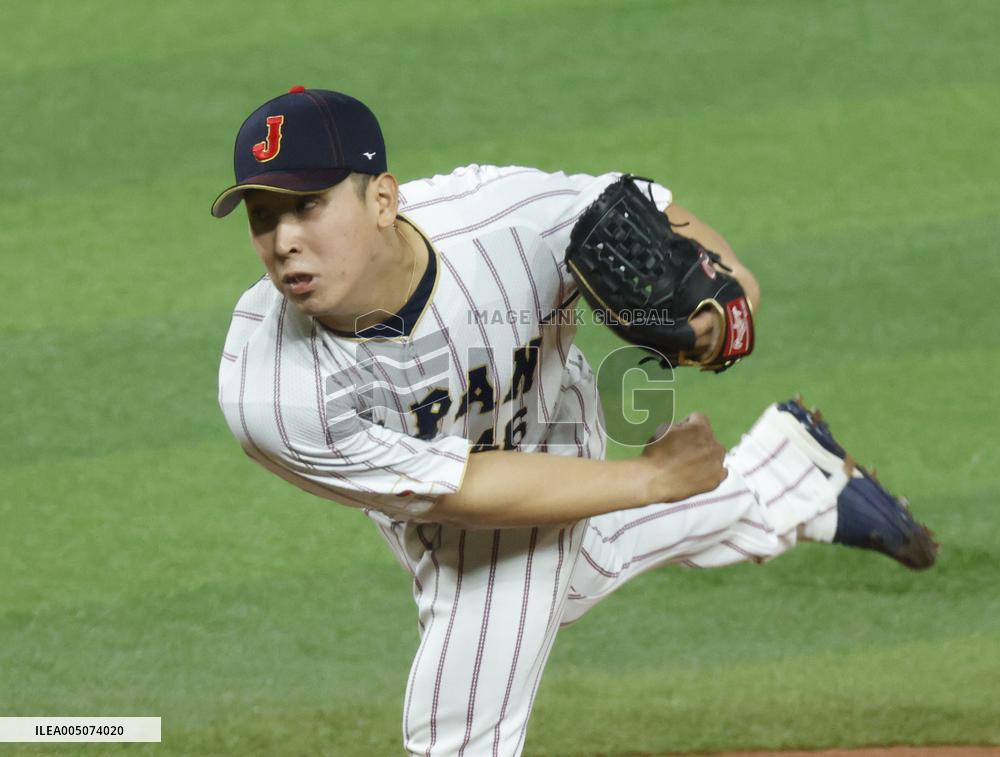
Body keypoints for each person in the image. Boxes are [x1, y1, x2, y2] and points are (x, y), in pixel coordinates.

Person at [211, 87, 936, 756]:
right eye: (264, 215)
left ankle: (787, 481)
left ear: (381, 199)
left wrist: (722, 311)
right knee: (578, 571)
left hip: (555, 424)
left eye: (307, 205)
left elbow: (638, 211)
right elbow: (462, 487)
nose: (284, 240)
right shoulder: (271, 392)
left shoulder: (504, 220)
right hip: (451, 494)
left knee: (463, 712)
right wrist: (647, 479)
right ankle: (788, 479)